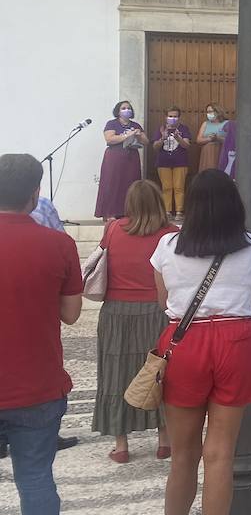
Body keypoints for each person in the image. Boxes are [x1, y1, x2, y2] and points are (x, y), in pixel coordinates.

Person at [145, 169, 251, 515]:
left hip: (185, 342)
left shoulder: (168, 245)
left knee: (184, 454)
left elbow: (164, 301)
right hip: (235, 341)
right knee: (221, 453)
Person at [0, 153, 83, 515]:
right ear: (35, 195)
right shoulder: (58, 245)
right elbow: (71, 314)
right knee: (35, 482)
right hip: (36, 383)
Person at [93, 179, 177, 463]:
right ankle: (164, 440)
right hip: (157, 312)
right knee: (160, 373)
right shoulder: (171, 234)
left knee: (116, 374)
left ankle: (121, 445)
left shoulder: (113, 229)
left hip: (117, 313)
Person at [95, 100, 148, 221]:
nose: (127, 110)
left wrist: (138, 134)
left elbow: (146, 141)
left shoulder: (135, 125)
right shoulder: (112, 124)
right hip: (114, 158)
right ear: (118, 111)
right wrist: (126, 136)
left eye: (129, 108)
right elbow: (109, 139)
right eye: (123, 108)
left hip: (131, 158)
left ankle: (130, 212)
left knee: (131, 184)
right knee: (112, 183)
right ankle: (110, 212)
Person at [155, 107, 193, 221]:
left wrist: (178, 137)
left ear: (179, 117)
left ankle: (179, 211)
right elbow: (155, 147)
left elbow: (187, 145)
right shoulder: (161, 129)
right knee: (166, 187)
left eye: (175, 116)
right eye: (170, 116)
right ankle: (167, 211)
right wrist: (162, 137)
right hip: (163, 162)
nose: (173, 118)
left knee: (179, 187)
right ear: (166, 117)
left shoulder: (184, 129)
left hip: (180, 162)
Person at [195, 104, 228, 173]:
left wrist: (218, 138)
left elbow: (230, 140)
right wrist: (209, 139)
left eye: (210, 111)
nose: (208, 114)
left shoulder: (227, 123)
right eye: (207, 112)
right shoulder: (205, 124)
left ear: (217, 111)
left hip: (220, 152)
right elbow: (198, 140)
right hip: (207, 153)